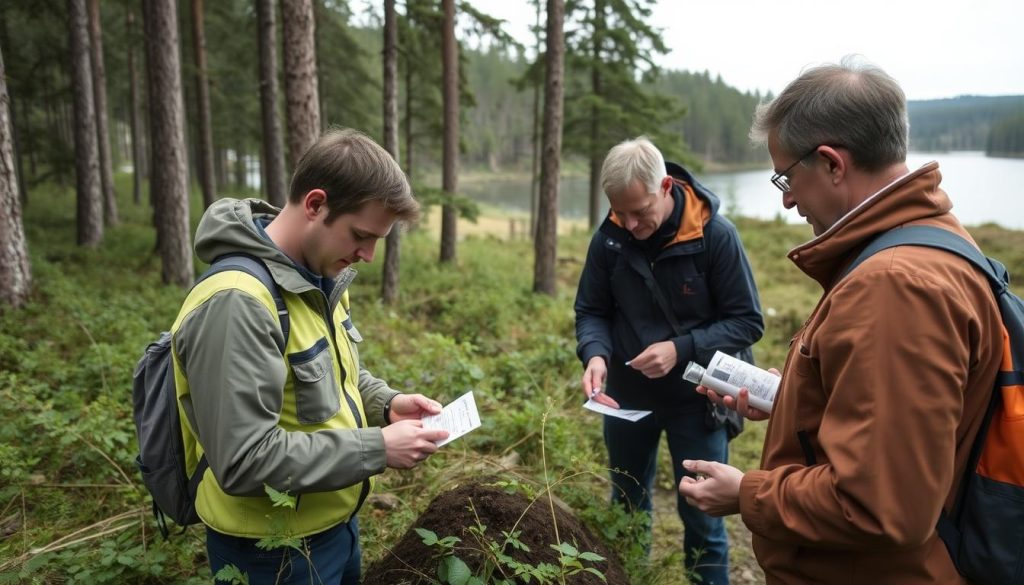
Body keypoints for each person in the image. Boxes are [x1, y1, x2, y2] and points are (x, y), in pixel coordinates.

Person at [677, 57, 1004, 584]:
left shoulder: (894, 286)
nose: (786, 199)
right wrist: (797, 402)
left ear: (831, 163)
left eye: (787, 175)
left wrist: (747, 492)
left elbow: (881, 504)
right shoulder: (933, 238)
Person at [170, 127, 449, 584]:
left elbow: (331, 375)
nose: (369, 255)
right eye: (360, 234)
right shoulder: (236, 303)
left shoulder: (318, 275)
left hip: (334, 529)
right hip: (270, 553)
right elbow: (243, 459)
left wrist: (386, 403)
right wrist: (377, 447)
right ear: (316, 204)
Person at [574, 136, 764, 585]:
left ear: (664, 186)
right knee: (626, 504)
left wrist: (680, 348)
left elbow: (746, 321)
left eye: (640, 211)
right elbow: (592, 310)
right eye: (621, 212)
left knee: (703, 516)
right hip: (626, 398)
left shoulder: (715, 235)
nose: (631, 223)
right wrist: (596, 355)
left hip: (696, 401)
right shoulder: (610, 238)